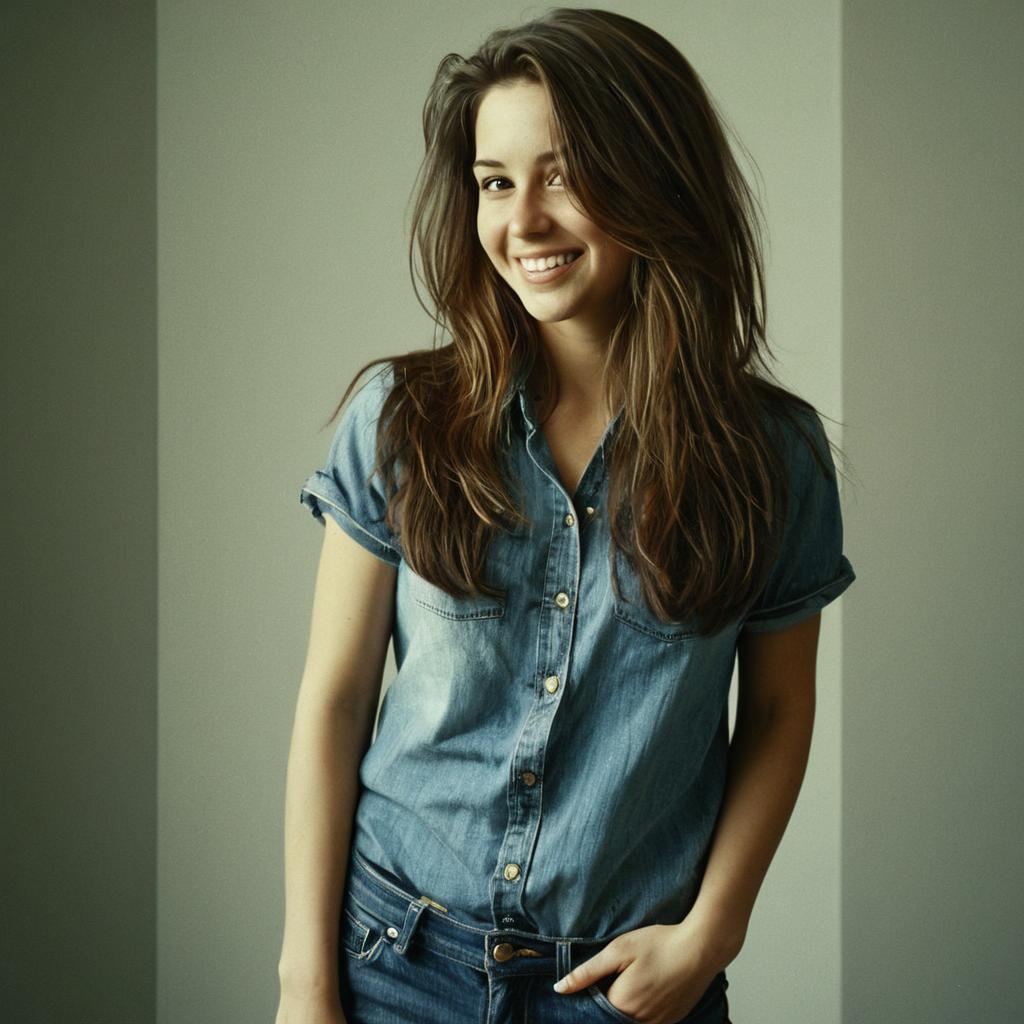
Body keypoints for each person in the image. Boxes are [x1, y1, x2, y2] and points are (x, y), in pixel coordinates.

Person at [275, 8, 856, 1024]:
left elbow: (775, 711)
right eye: (496, 181)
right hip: (391, 964)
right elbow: (332, 705)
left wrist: (711, 933)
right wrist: (305, 983)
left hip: (628, 992)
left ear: (654, 179)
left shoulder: (772, 457)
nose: (523, 221)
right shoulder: (402, 421)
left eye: (563, 173)